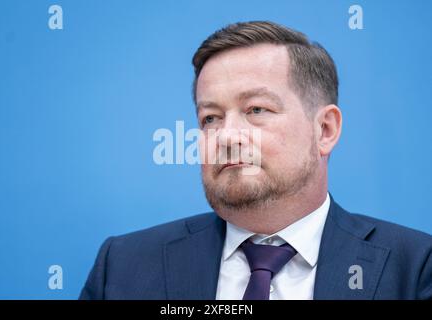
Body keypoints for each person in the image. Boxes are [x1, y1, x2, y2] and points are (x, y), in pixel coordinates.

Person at [79, 21, 432, 300]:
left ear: (324, 130)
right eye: (211, 118)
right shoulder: (124, 266)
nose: (228, 136)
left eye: (256, 110)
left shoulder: (415, 268)